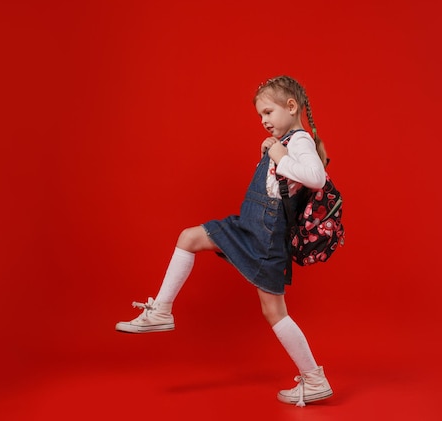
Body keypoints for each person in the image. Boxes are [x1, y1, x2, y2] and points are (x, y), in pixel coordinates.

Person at [116, 75, 333, 407]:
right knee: (189, 237)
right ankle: (161, 310)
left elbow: (316, 177)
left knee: (274, 312)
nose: (263, 121)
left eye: (268, 112)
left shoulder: (298, 140)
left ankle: (314, 379)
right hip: (250, 225)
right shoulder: (288, 140)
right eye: (260, 115)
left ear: (292, 107)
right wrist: (275, 152)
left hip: (266, 236)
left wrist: (278, 153)